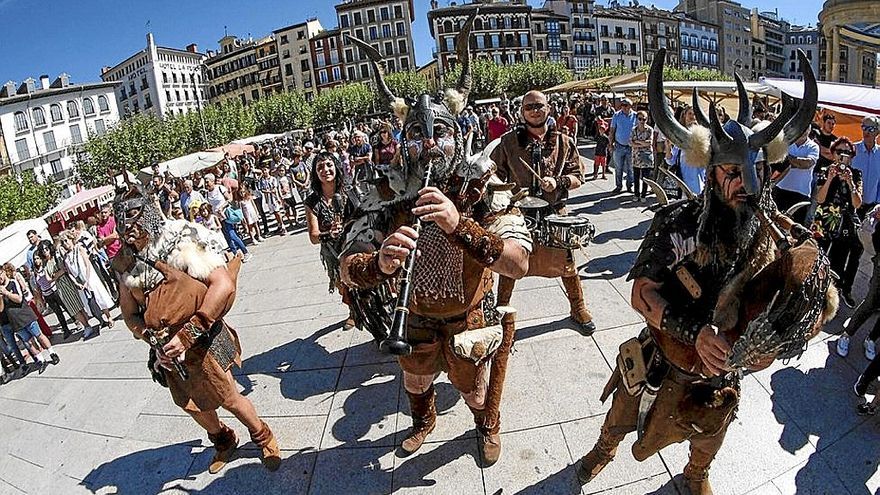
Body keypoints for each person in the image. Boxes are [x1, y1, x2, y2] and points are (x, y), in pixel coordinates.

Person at [577, 50, 836, 494]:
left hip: (721, 376)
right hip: (662, 355)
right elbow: (642, 294)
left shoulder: (781, 235)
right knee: (623, 412)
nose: (746, 184)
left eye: (755, 171)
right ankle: (604, 447)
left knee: (710, 438)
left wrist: (777, 343)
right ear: (711, 173)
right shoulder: (677, 221)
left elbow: (816, 302)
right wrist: (693, 330)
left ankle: (695, 475)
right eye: (733, 172)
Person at [340, 27, 531, 465]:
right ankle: (422, 422)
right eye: (416, 135)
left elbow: (518, 262)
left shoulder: (479, 185)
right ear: (401, 143)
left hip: (468, 313)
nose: (428, 144)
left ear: (456, 135)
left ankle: (488, 425)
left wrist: (460, 224)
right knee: (415, 382)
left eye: (439, 133)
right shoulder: (387, 194)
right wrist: (379, 262)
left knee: (473, 389)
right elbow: (347, 268)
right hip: (415, 317)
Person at [112, 185, 281, 474]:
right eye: (121, 220)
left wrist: (190, 331)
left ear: (148, 214)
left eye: (132, 217)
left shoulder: (180, 238)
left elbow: (223, 284)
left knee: (228, 397)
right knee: (192, 406)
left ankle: (263, 436)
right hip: (168, 351)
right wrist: (150, 339)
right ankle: (224, 440)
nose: (127, 227)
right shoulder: (125, 262)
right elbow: (129, 315)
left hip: (203, 336)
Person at [492, 89, 595, 334]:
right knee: (511, 264)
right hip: (519, 215)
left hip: (554, 211)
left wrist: (558, 182)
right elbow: (494, 173)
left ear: (548, 108)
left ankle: (578, 308)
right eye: (529, 107)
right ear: (521, 112)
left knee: (567, 265)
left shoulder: (564, 141)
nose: (534, 111)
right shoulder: (507, 142)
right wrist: (504, 193)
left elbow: (578, 176)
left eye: (539, 106)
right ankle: (500, 311)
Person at [304, 152, 356, 330]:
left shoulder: (349, 191)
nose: (325, 170)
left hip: (355, 245)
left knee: (364, 280)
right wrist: (329, 234)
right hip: (332, 252)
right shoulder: (312, 201)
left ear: (335, 166)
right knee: (342, 285)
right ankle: (353, 312)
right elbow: (313, 236)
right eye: (320, 167)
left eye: (328, 165)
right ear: (315, 173)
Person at [812, 138, 862, 310]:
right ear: (833, 154)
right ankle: (811, 292)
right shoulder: (825, 170)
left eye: (847, 152)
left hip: (844, 224)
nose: (843, 156)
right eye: (840, 151)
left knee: (837, 263)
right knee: (817, 256)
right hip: (824, 221)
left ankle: (827, 299)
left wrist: (850, 183)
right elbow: (819, 198)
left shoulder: (855, 175)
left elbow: (857, 203)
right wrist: (829, 179)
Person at [37, 240, 100, 339]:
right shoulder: (45, 264)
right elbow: (49, 279)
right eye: (43, 250)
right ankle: (86, 326)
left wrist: (56, 275)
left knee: (79, 306)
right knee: (73, 309)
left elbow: (64, 269)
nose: (45, 251)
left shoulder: (56, 257)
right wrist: (58, 274)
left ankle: (88, 325)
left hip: (68, 283)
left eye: (46, 248)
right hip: (59, 287)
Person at [0, 266, 59, 371]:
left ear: (3, 272)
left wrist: (6, 293)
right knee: (29, 342)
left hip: (26, 316)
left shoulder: (13, 283)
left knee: (39, 335)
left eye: (0, 274)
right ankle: (41, 360)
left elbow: (19, 299)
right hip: (15, 322)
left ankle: (52, 353)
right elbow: (1, 309)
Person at [59, 231, 114, 328]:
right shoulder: (66, 258)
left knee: (98, 296)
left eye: (66, 240)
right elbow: (69, 273)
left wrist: (87, 280)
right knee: (90, 302)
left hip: (89, 278)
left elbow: (87, 264)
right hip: (80, 282)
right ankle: (101, 320)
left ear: (71, 239)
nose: (65, 244)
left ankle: (109, 317)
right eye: (62, 242)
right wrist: (76, 282)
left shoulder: (79, 248)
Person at [772, 128, 819, 219]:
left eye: (806, 129)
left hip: (801, 193)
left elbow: (807, 164)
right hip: (781, 190)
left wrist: (786, 159)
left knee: (795, 227)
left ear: (809, 130)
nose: (803, 131)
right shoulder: (786, 143)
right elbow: (777, 161)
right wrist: (796, 162)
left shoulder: (813, 147)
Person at [665, 105, 706, 196]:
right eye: (690, 113)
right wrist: (668, 147)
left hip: (699, 182)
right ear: (684, 116)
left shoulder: (704, 135)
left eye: (695, 114)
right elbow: (670, 161)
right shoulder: (680, 136)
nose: (692, 116)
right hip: (682, 182)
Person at [852, 116, 880, 252]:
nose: (866, 132)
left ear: (877, 132)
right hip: (852, 206)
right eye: (864, 128)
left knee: (861, 248)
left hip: (870, 208)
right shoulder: (853, 150)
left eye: (871, 129)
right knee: (846, 243)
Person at [610, 98, 637, 194]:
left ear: (630, 106)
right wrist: (610, 144)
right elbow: (612, 130)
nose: (623, 107)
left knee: (631, 168)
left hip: (631, 147)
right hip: (619, 145)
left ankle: (630, 186)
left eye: (626, 105)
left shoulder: (636, 116)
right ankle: (618, 186)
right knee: (618, 167)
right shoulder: (616, 115)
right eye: (622, 105)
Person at [631, 110, 654, 202]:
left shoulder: (650, 130)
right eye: (640, 119)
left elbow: (650, 143)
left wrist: (638, 141)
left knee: (645, 178)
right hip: (636, 157)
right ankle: (636, 194)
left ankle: (643, 195)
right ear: (637, 119)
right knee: (636, 177)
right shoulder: (634, 130)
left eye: (644, 119)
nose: (642, 121)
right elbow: (631, 143)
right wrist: (643, 143)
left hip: (646, 157)